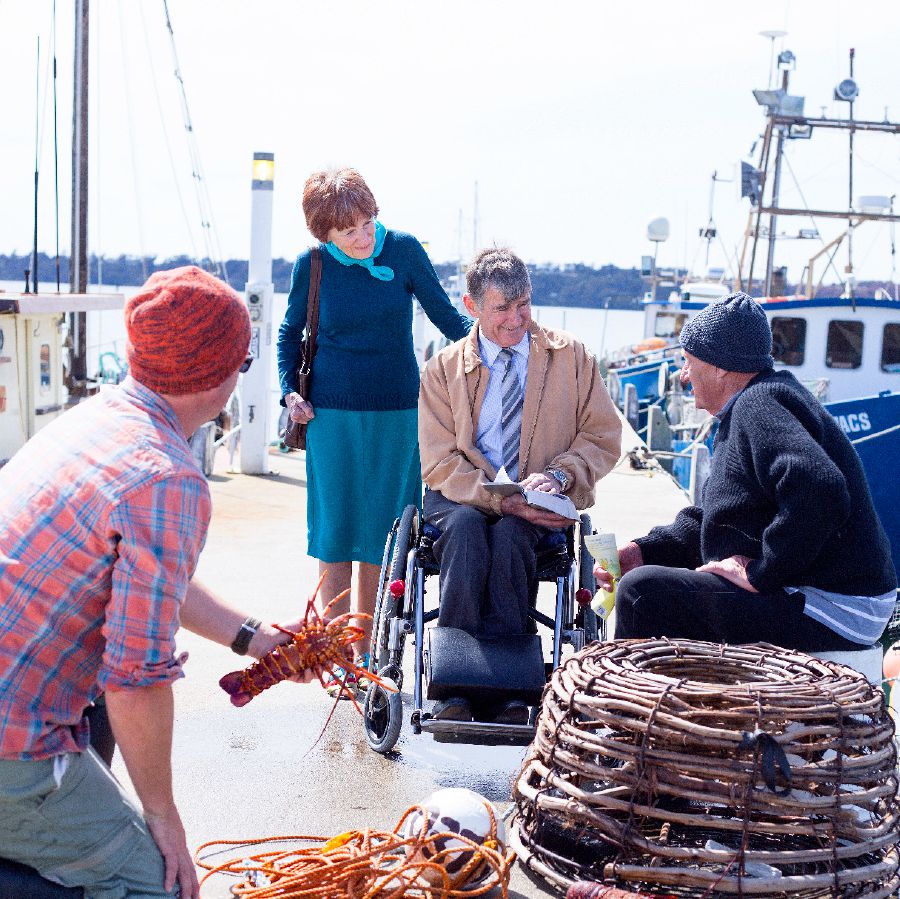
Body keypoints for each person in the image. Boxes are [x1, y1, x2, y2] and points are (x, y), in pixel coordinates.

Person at [0, 266, 318, 899]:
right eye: (244, 356)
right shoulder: (167, 480)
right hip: (14, 743)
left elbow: (148, 592)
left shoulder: (96, 420)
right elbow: (135, 678)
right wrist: (163, 819)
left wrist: (253, 638)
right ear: (221, 371)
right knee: (158, 885)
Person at [594, 291, 897, 649]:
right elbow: (715, 517)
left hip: (833, 607)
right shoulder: (756, 401)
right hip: (835, 600)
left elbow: (821, 488)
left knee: (642, 593)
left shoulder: (759, 404)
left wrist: (761, 572)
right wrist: (644, 551)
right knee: (647, 577)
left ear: (720, 366)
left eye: (689, 362)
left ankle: (630, 705)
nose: (683, 376)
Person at [277, 167, 471, 695]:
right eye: (348, 231)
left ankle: (372, 653)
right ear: (325, 234)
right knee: (336, 534)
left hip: (398, 413)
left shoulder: (404, 251)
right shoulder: (311, 265)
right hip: (329, 416)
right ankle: (338, 658)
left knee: (385, 538)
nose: (362, 237)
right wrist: (288, 391)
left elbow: (446, 316)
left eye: (367, 223)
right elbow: (289, 334)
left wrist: (495, 353)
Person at [418, 247, 622, 723]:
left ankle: (512, 688)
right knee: (469, 531)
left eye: (524, 305)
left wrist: (559, 475)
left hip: (541, 496)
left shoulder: (571, 358)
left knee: (513, 538)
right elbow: (440, 461)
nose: (516, 319)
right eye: (501, 309)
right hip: (459, 494)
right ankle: (455, 688)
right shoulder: (441, 371)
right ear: (471, 307)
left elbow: (601, 435)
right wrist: (500, 501)